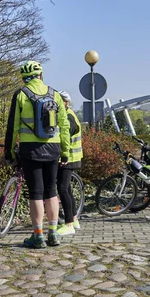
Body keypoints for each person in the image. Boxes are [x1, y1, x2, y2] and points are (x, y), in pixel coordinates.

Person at [4, 61, 70, 249]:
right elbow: (64, 126)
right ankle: (54, 234)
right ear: (41, 75)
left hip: (30, 150)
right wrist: (65, 152)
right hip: (53, 148)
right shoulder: (55, 94)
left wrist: (8, 153)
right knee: (51, 191)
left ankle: (38, 236)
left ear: (24, 78)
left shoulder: (21, 95)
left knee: (36, 193)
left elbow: (12, 127)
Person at [55, 91, 83, 236]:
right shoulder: (67, 114)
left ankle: (68, 224)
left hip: (69, 158)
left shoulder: (69, 116)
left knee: (63, 188)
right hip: (70, 157)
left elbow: (66, 134)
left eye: (60, 101)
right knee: (68, 189)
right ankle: (74, 219)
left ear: (66, 102)